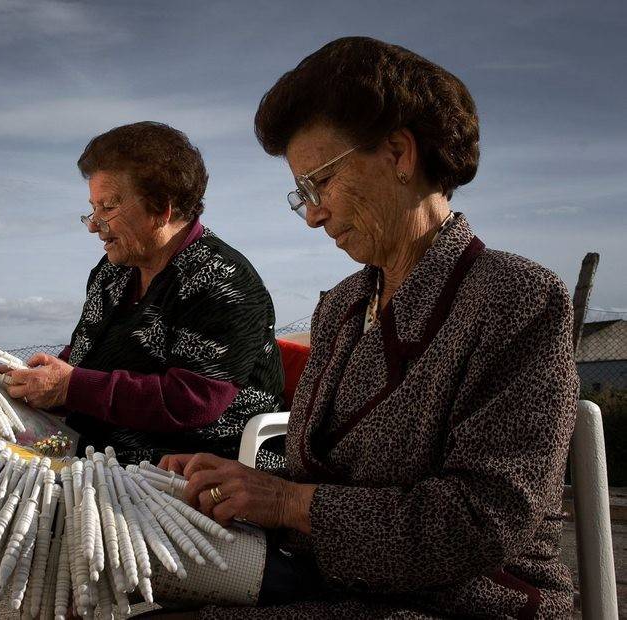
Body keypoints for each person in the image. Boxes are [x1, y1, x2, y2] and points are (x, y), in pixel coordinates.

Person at [161, 37, 579, 618]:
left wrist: (285, 503)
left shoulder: (514, 298)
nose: (312, 215)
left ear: (400, 154)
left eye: (322, 183)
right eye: (301, 193)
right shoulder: (342, 306)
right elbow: (320, 471)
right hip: (335, 582)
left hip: (461, 601)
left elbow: (484, 522)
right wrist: (234, 485)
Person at [3, 121, 285, 465]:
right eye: (93, 209)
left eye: (107, 208)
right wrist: (39, 378)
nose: (93, 224)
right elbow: (87, 357)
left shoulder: (222, 278)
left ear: (160, 210)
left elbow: (193, 401)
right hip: (95, 454)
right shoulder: (114, 271)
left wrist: (69, 386)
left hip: (190, 471)